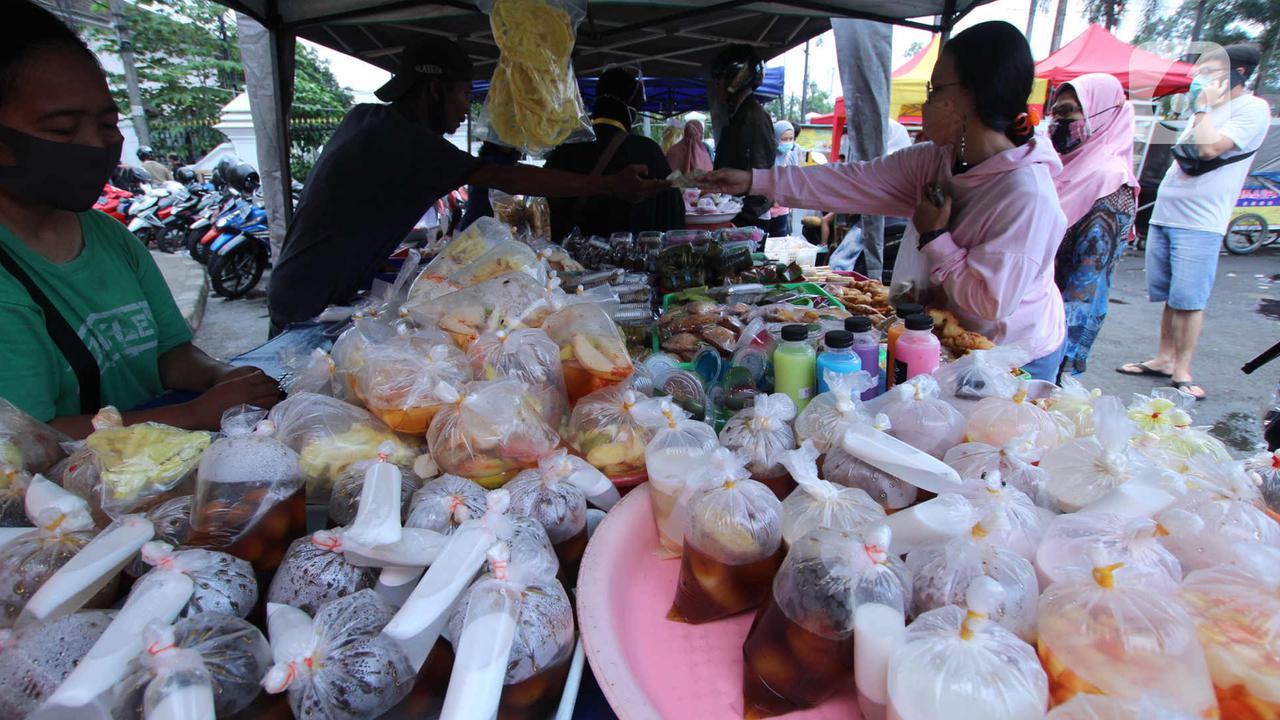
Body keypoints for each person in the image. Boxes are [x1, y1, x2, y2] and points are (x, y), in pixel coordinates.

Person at [701, 21, 1068, 381]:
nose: (928, 102)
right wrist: (755, 180)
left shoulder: (1025, 195)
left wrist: (936, 236)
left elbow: (988, 304)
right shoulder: (934, 159)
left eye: (935, 89)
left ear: (971, 97)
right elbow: (851, 181)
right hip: (937, 338)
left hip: (1012, 356)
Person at [0, 2, 280, 437]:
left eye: (109, 124)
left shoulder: (108, 235)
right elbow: (31, 439)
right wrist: (191, 415)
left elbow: (171, 354)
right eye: (62, 130)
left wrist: (221, 377)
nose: (95, 144)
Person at [268, 41, 667, 332]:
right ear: (435, 90)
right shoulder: (405, 142)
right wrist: (609, 184)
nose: (465, 109)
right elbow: (502, 176)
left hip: (312, 292)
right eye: (463, 94)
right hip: (308, 306)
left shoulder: (367, 120)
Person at [1118, 43, 1270, 400]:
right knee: (1172, 295)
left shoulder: (1252, 109)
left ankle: (1183, 367)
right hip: (1170, 213)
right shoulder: (1204, 112)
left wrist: (1202, 108)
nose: (1203, 79)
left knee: (1190, 298)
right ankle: (1164, 358)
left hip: (1202, 220)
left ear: (1240, 73)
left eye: (1213, 72)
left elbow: (1208, 149)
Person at [1049, 74, 1139, 379]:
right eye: (1056, 112)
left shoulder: (1110, 181)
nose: (1059, 121)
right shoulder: (1060, 167)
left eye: (1070, 112)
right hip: (1036, 315)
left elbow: (1084, 285)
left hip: (1063, 328)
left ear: (1104, 114)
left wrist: (1060, 356)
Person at [543, 67, 683, 242]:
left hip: (568, 262)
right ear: (631, 106)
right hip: (632, 263)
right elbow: (673, 216)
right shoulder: (645, 150)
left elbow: (545, 210)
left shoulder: (565, 147)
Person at [709, 45, 777, 230]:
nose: (718, 84)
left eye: (720, 78)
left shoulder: (753, 116)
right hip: (740, 212)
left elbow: (762, 171)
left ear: (736, 78)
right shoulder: (739, 114)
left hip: (750, 217)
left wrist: (741, 218)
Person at [457, 140, 522, 232]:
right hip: (483, 228)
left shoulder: (484, 163)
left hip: (473, 225)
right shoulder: (498, 166)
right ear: (504, 146)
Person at [767, 120, 800, 236]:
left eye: (790, 139)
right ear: (775, 138)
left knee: (779, 241)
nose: (788, 142)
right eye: (784, 139)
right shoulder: (766, 156)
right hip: (765, 208)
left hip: (782, 208)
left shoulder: (791, 156)